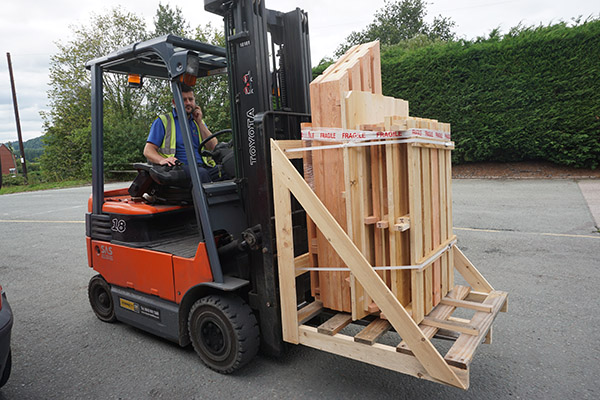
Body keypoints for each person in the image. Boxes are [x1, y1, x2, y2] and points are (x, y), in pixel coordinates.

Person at [144, 84, 219, 183]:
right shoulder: (163, 121)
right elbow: (148, 150)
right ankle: (206, 198)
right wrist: (162, 160)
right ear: (174, 102)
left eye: (190, 99)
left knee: (228, 170)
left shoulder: (198, 122)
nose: (188, 103)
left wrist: (200, 122)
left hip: (202, 167)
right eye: (184, 100)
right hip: (178, 169)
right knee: (201, 174)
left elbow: (213, 147)